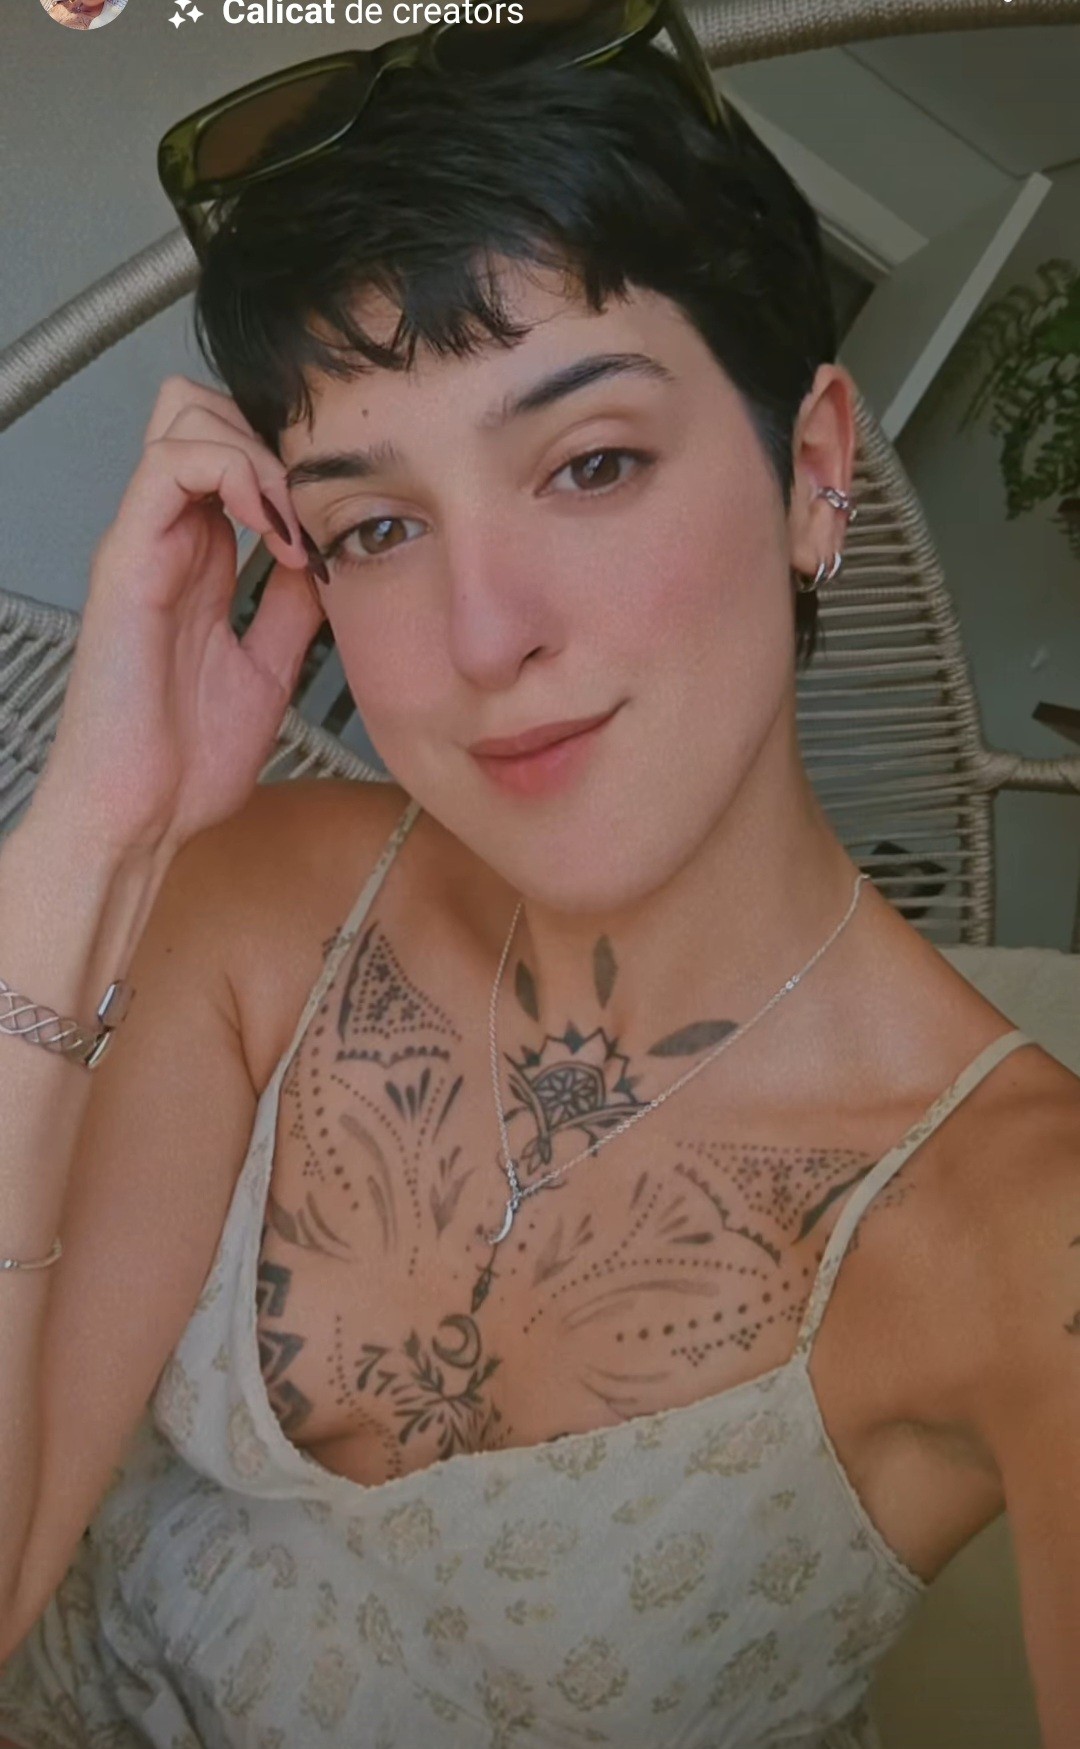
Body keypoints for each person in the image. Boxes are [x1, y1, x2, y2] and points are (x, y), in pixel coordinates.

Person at [1, 5, 1078, 1745]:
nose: (482, 634)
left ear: (811, 473)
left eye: (591, 463)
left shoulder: (1020, 1223)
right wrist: (95, 833)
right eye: (378, 525)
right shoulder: (264, 903)